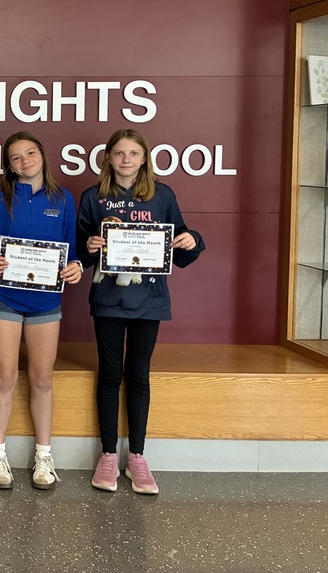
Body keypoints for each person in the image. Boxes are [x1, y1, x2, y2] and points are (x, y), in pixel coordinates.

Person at [77, 129, 204, 495]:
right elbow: (80, 253)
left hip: (149, 299)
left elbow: (179, 244)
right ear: (108, 158)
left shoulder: (161, 194)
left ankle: (136, 456)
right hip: (108, 300)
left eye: (133, 153)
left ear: (145, 157)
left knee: (139, 375)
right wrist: (88, 245)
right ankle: (107, 455)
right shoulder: (93, 197)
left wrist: (191, 239)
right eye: (119, 153)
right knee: (110, 374)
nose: (126, 160)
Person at [0, 132, 82, 491]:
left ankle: (43, 456)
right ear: (8, 165)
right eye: (16, 158)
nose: (25, 161)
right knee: (5, 377)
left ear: (42, 155)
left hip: (46, 301)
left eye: (30, 153)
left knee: (42, 378)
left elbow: (71, 249)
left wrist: (76, 267)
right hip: (3, 298)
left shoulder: (63, 199)